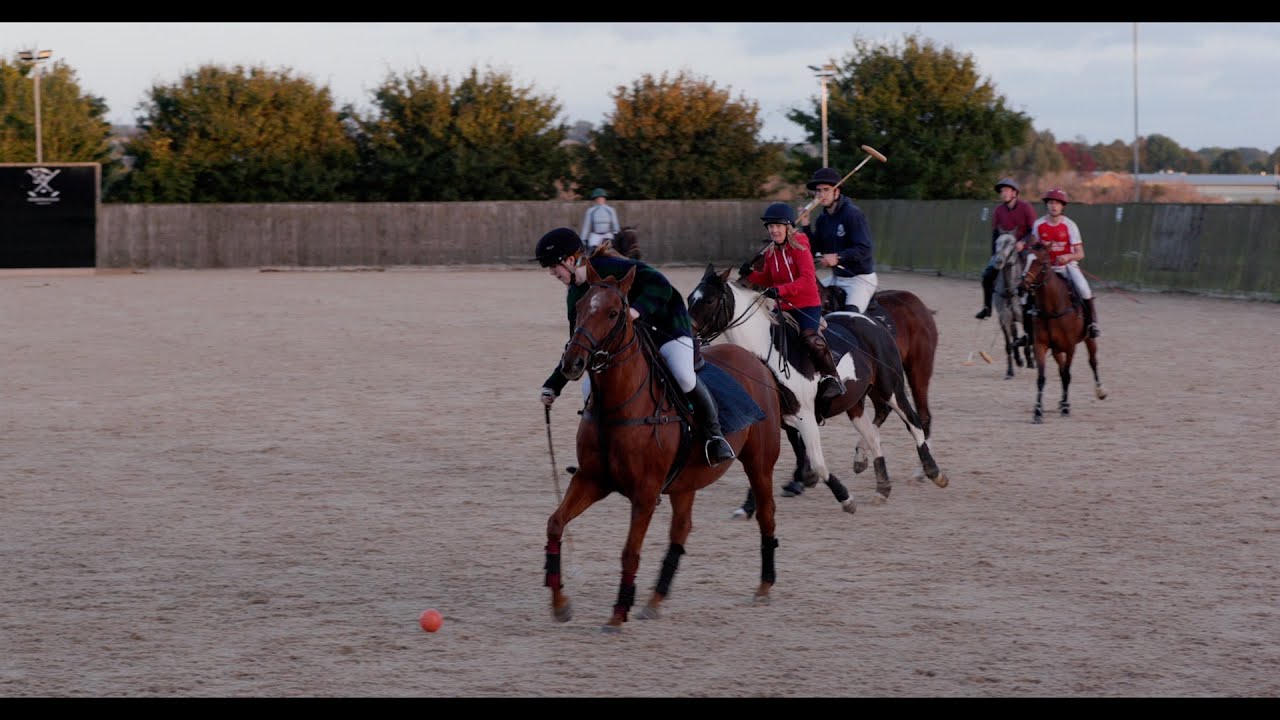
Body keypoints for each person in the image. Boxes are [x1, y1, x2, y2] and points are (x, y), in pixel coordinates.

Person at [534, 227, 735, 466]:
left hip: (667, 328)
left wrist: (636, 309)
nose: (551, 273)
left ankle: (714, 435)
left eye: (553, 267)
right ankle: (601, 448)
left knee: (683, 376)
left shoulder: (610, 267)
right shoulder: (575, 295)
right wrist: (553, 385)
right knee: (590, 387)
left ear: (569, 260)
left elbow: (661, 285)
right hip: (631, 340)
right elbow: (577, 344)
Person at [739, 202, 845, 402]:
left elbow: (806, 279)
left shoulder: (800, 246)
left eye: (778, 226)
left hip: (807, 304)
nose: (774, 230)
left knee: (808, 337)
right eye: (771, 227)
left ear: (788, 227)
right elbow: (769, 279)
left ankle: (833, 377)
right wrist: (752, 275)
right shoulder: (771, 252)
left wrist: (780, 290)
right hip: (784, 306)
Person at [1032, 189, 1102, 338]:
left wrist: (1068, 257)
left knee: (1084, 289)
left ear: (1062, 206)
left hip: (1066, 267)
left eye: (1057, 203)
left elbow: (1080, 253)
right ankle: (1028, 331)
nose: (1053, 206)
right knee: (1026, 293)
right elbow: (1034, 249)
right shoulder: (1038, 224)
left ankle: (1092, 324)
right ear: (1047, 205)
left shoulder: (1070, 225)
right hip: (1045, 268)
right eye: (1050, 203)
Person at [806, 167, 877, 314]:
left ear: (837, 191)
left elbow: (864, 249)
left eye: (826, 190)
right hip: (836, 278)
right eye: (818, 191)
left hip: (859, 280)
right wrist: (806, 226)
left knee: (850, 318)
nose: (821, 194)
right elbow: (814, 249)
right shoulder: (823, 219)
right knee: (808, 300)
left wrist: (838, 257)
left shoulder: (852, 214)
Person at [976, 177, 1038, 319]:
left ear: (1014, 193)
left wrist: (1023, 242)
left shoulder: (1026, 208)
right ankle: (987, 308)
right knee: (987, 275)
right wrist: (993, 255)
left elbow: (1033, 230)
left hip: (1024, 249)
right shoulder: (998, 211)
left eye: (1006, 190)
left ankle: (1034, 308)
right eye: (1001, 191)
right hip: (1004, 251)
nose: (1003, 193)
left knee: (1032, 278)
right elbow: (995, 235)